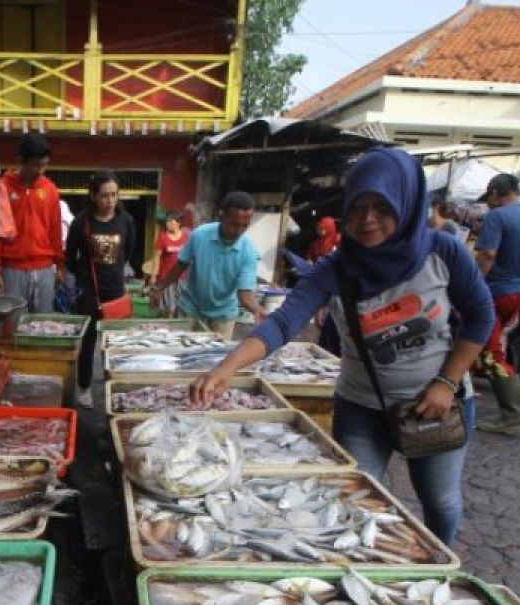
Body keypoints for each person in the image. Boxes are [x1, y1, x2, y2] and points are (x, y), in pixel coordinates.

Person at [190, 148, 494, 545]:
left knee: (439, 500)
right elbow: (283, 323)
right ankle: (372, 574)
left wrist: (446, 383)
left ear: (407, 202)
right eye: (357, 207)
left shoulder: (443, 252)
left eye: (382, 207)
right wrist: (226, 369)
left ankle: (437, 568)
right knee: (357, 499)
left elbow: (481, 317)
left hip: (436, 402)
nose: (367, 220)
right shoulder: (334, 268)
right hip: (362, 407)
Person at [474, 173, 520, 435]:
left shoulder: (497, 216)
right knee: (481, 344)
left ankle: (513, 415)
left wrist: (472, 285)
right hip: (519, 291)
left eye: (489, 197)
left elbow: (488, 255)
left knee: (491, 352)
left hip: (496, 291)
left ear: (494, 193)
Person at [149, 191, 266, 339]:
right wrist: (160, 289)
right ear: (222, 215)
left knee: (216, 359)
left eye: (245, 225)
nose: (239, 230)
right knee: (184, 355)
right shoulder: (199, 235)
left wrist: (257, 309)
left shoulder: (248, 251)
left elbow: (245, 294)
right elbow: (180, 265)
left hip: (223, 316)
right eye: (234, 224)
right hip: (190, 309)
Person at [66, 172, 136, 408]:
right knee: (88, 341)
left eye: (114, 195)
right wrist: (84, 277)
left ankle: (114, 384)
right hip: (88, 291)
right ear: (93, 196)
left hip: (115, 290)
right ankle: (84, 387)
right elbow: (69, 257)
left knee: (115, 341)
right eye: (105, 195)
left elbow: (128, 253)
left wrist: (114, 275)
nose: (110, 200)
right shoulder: (82, 222)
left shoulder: (126, 221)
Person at [0, 133, 64, 313]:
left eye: (44, 165)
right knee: (12, 324)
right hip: (11, 269)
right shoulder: (3, 187)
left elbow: (55, 231)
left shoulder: (50, 190)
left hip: (44, 268)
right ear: (21, 160)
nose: (40, 171)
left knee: (44, 325)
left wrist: (60, 265)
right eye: (35, 165)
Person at [149, 210, 190, 316]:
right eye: (167, 221)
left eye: (171, 221)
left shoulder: (186, 237)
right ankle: (168, 327)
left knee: (180, 307)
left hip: (182, 278)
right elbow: (156, 258)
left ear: (178, 223)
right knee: (169, 308)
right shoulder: (162, 238)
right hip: (166, 278)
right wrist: (153, 276)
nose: (168, 224)